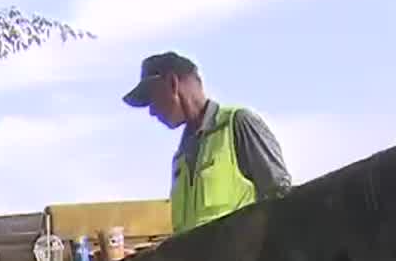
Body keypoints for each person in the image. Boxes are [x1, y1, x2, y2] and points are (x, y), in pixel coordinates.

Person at [121, 52, 291, 235]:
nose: (151, 112)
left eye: (152, 99)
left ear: (172, 83)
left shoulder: (237, 123)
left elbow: (280, 199)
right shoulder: (180, 159)